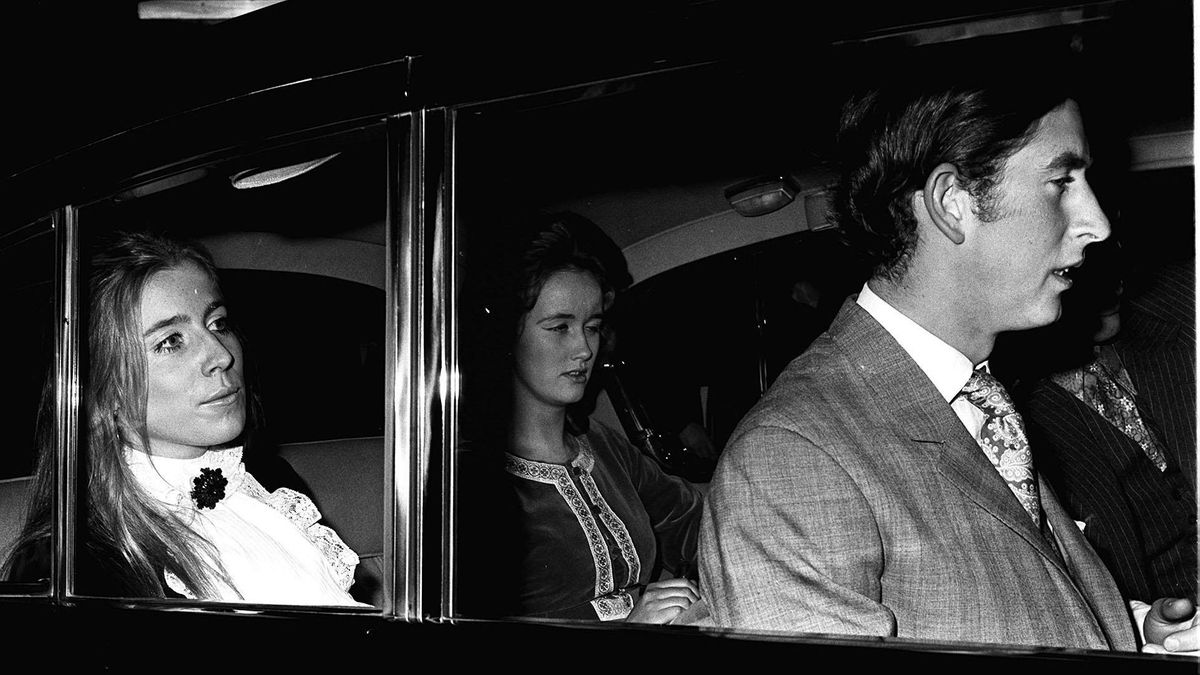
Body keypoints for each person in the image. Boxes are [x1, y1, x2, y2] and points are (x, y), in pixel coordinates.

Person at [697, 67, 1198, 653]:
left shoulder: (969, 394)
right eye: (1062, 182)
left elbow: (989, 606)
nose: (1098, 224)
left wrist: (1136, 632)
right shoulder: (791, 458)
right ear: (952, 202)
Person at [2, 230, 364, 605]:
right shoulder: (73, 565)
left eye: (218, 323)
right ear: (102, 394)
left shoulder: (267, 480)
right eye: (170, 341)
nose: (221, 355)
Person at [457, 211, 704, 623]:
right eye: (559, 327)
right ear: (503, 333)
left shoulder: (603, 446)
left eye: (591, 326)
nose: (585, 349)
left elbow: (691, 522)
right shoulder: (473, 481)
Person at [996, 239, 1196, 603]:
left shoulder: (1179, 305)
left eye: (1113, 267)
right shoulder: (1014, 411)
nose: (1113, 288)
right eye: (1082, 276)